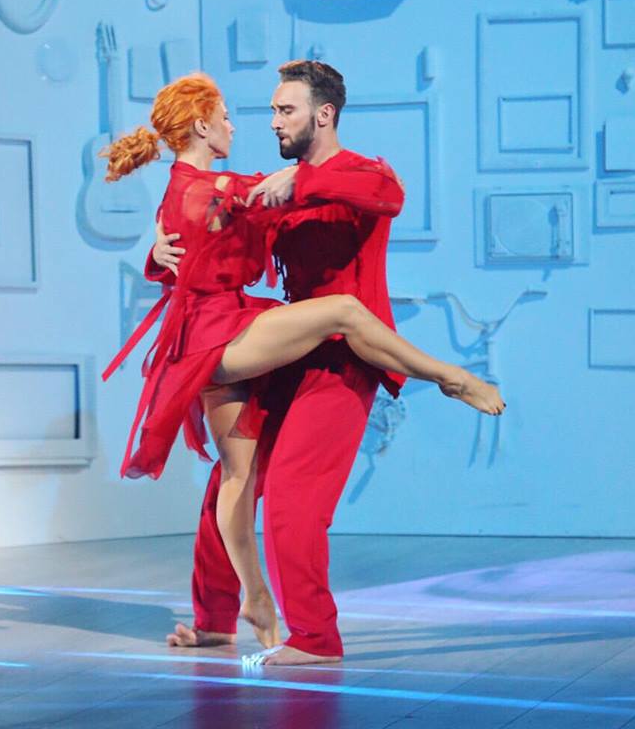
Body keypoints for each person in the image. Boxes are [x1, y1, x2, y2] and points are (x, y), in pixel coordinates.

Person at [106, 69, 506, 659]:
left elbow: (387, 196)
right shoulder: (276, 189)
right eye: (271, 110)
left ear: (324, 115)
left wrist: (300, 182)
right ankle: (215, 619)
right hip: (286, 347)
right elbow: (215, 228)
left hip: (346, 358)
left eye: (285, 110)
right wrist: (158, 252)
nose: (272, 122)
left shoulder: (360, 173)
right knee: (231, 481)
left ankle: (315, 637)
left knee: (293, 496)